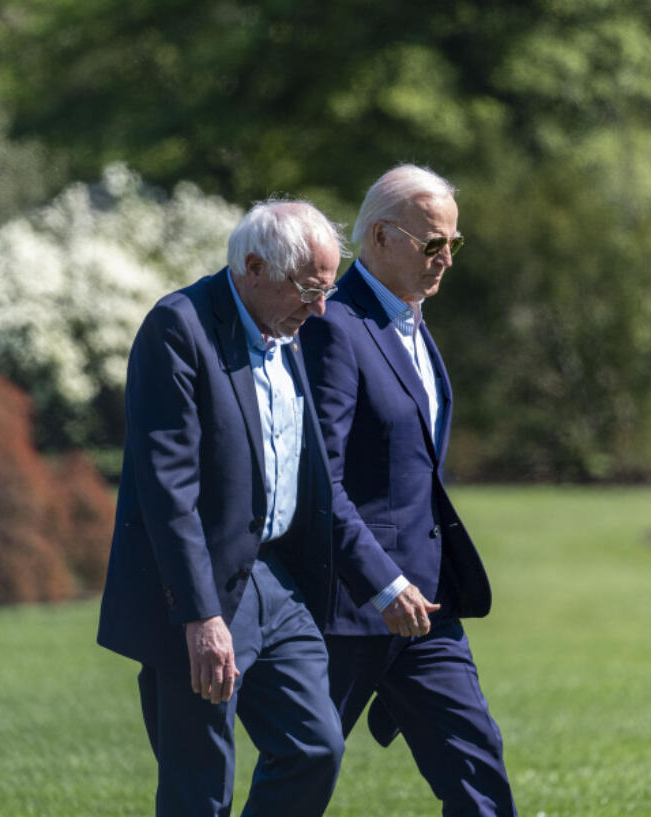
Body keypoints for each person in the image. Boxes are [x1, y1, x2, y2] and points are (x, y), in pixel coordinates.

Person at [97, 199, 348, 817]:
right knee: (199, 787)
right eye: (309, 290)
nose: (320, 309)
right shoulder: (177, 327)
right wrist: (200, 616)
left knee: (315, 747)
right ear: (255, 267)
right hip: (200, 591)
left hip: (277, 581)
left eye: (328, 290)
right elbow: (167, 487)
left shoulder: (285, 327)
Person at [300, 165, 518, 816]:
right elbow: (321, 479)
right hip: (351, 607)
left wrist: (411, 584)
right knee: (301, 777)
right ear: (380, 237)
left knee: (478, 769)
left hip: (427, 608)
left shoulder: (413, 321)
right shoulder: (335, 326)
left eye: (454, 242)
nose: (446, 258)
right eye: (432, 244)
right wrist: (381, 581)